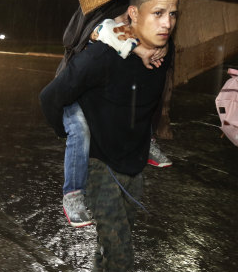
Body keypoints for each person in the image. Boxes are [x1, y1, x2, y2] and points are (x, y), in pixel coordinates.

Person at [39, 0, 178, 272]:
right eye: (158, 13)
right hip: (99, 165)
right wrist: (75, 138)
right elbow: (49, 98)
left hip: (133, 163)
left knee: (115, 237)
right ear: (133, 14)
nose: (167, 22)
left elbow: (148, 100)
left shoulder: (163, 53)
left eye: (172, 13)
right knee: (120, 252)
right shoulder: (99, 56)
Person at [61, 15, 169, 228]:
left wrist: (160, 47)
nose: (127, 24)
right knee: (81, 130)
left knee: (134, 95)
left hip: (103, 94)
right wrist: (139, 47)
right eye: (125, 19)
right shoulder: (95, 23)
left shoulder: (135, 28)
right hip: (74, 94)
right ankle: (72, 195)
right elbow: (103, 29)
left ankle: (145, 143)